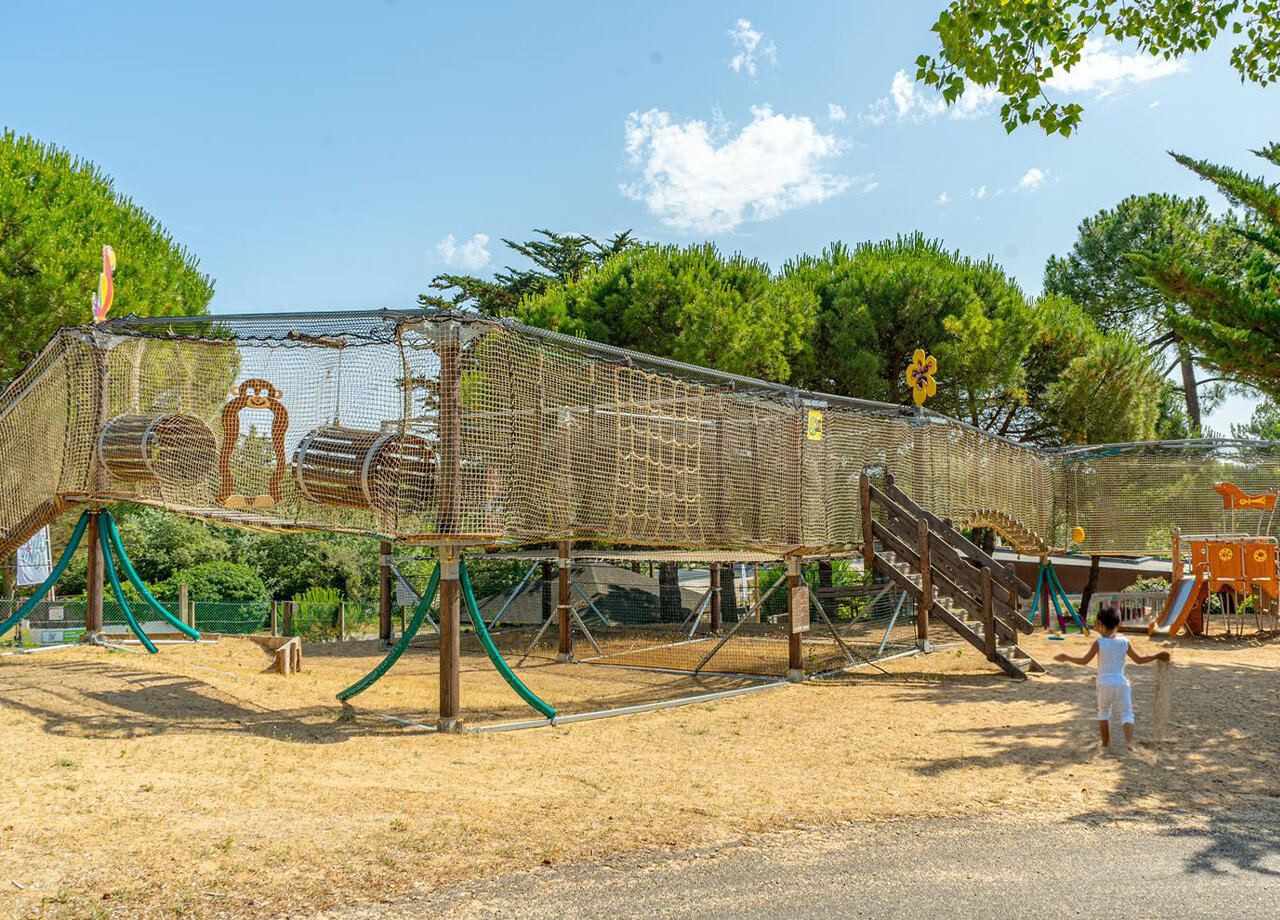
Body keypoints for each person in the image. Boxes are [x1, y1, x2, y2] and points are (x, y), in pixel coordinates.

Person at [1054, 605, 1170, 751]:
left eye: (1097, 624)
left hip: (1103, 683)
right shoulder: (1125, 642)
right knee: (1127, 713)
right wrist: (1156, 656)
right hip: (1121, 683)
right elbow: (1139, 660)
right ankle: (1129, 743)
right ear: (1117, 624)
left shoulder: (1099, 643)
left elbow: (1083, 661)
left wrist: (1066, 657)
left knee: (1103, 712)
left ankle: (1105, 742)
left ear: (1101, 624)